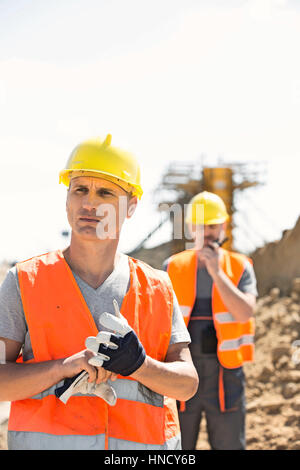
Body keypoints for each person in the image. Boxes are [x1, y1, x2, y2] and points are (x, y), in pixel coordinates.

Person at [0, 134, 198, 450]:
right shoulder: (25, 281)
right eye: (80, 189)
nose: (89, 203)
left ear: (131, 206)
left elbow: (187, 383)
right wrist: (61, 368)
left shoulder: (157, 288)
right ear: (67, 199)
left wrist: (141, 366)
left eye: (105, 192)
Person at [162, 191, 257, 450]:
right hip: (182, 373)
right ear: (192, 229)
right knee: (175, 448)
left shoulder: (240, 266)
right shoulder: (172, 267)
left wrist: (216, 272)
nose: (209, 232)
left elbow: (244, 313)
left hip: (225, 377)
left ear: (224, 227)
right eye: (202, 225)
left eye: (213, 225)